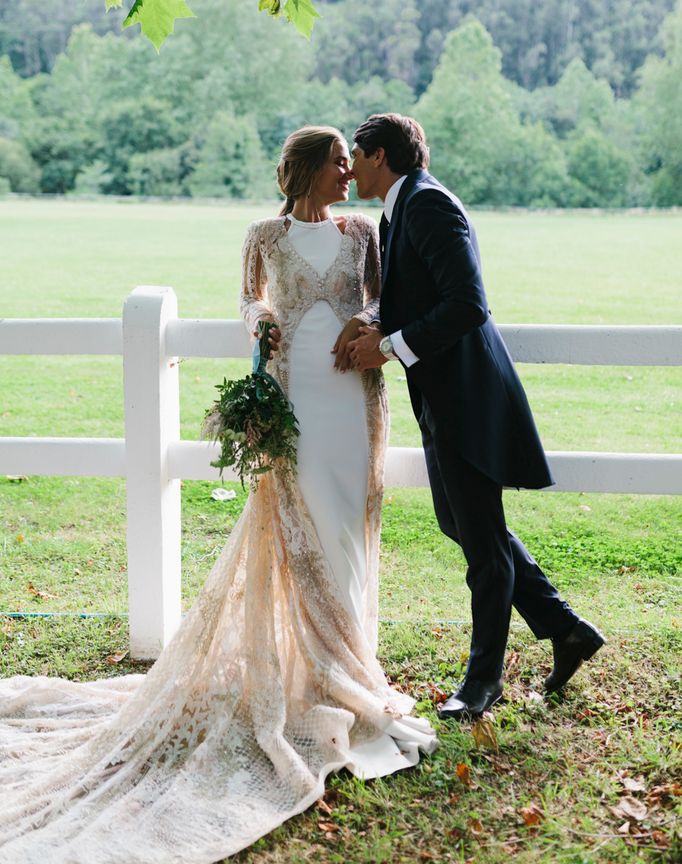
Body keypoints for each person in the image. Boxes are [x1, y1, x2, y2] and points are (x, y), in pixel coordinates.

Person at [0, 126, 436, 864]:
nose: (345, 171)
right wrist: (261, 323)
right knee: (303, 533)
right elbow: (246, 302)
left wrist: (367, 321)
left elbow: (386, 300)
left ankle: (350, 665)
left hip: (352, 402)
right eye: (334, 162)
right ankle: (305, 678)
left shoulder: (365, 232)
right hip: (292, 397)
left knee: (349, 533)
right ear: (304, 170)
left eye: (347, 161)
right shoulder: (263, 234)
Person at [348, 113, 605, 720]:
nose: (350, 167)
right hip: (442, 395)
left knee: (483, 548)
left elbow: (467, 303)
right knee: (460, 523)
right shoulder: (402, 206)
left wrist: (387, 347)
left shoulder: (431, 206)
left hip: (467, 397)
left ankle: (483, 683)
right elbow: (419, 291)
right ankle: (565, 628)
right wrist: (378, 322)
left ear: (380, 156)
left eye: (355, 155)